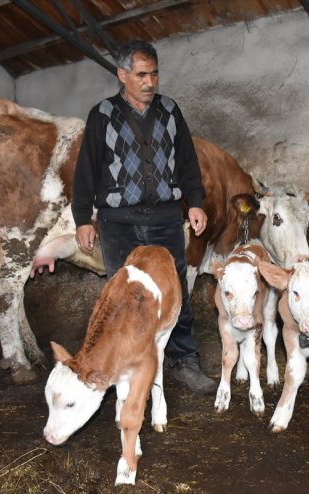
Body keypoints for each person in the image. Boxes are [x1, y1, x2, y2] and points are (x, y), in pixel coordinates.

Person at [71, 39, 217, 395]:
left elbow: (186, 162)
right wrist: (82, 218)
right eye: (141, 75)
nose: (150, 82)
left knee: (176, 290)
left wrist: (195, 202)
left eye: (154, 74)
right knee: (123, 297)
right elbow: (85, 170)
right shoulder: (102, 114)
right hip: (117, 221)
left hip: (166, 218)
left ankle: (184, 360)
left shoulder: (170, 111)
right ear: (122, 75)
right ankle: (127, 366)